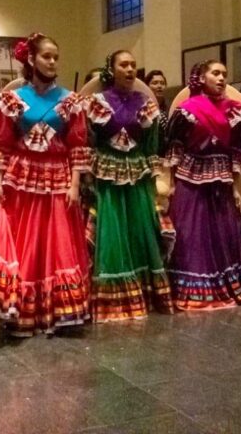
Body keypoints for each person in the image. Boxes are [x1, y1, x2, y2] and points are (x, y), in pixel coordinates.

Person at [0, 33, 91, 335]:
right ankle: (21, 307)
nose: (52, 62)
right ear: (31, 60)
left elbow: (77, 145)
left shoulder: (70, 100)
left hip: (58, 174)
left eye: (56, 57)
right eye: (46, 56)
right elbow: (3, 142)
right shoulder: (14, 100)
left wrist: (74, 184)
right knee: (26, 239)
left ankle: (59, 309)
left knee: (57, 238)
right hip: (22, 175)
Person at [85, 51, 173, 321]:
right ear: (111, 69)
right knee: (112, 228)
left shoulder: (145, 103)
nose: (130, 69)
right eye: (123, 65)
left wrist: (156, 176)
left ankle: (143, 292)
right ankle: (114, 297)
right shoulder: (97, 103)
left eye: (134, 65)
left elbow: (151, 143)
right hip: (108, 173)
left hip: (137, 172)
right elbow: (88, 139)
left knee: (139, 227)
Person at [165, 60, 241, 311]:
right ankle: (193, 288)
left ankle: (223, 286)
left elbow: (238, 151)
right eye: (215, 73)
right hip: (190, 178)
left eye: (224, 75)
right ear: (201, 77)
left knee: (223, 232)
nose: (221, 78)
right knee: (192, 233)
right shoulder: (187, 110)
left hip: (222, 178)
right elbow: (174, 147)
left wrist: (238, 187)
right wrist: (171, 183)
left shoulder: (235, 111)